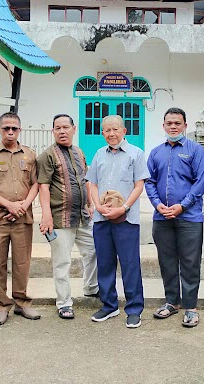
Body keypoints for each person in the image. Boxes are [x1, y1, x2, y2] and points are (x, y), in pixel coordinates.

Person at [0, 112, 41, 325]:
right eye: (6, 128)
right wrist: (9, 205)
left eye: (14, 128)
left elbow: (36, 184)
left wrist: (23, 206)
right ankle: (2, 306)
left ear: (20, 130)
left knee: (22, 263)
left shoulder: (29, 154)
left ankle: (22, 303)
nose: (10, 132)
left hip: (22, 219)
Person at [145, 107, 204, 328]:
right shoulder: (155, 153)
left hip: (189, 218)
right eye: (169, 123)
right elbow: (150, 182)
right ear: (163, 126)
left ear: (185, 126)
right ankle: (172, 302)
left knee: (190, 263)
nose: (173, 127)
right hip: (162, 217)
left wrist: (182, 206)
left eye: (177, 123)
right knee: (167, 262)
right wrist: (157, 204)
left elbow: (201, 182)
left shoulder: (195, 150)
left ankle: (191, 307)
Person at [86, 115, 150, 328]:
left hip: (126, 219)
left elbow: (139, 185)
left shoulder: (136, 154)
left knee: (130, 264)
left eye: (115, 129)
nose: (111, 134)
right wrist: (98, 205)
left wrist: (123, 208)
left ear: (124, 131)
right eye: (107, 130)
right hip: (101, 218)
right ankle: (109, 305)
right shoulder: (98, 154)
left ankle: (134, 308)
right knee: (104, 262)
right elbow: (92, 184)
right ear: (102, 132)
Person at [37, 114, 99, 319]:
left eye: (65, 127)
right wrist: (46, 216)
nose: (62, 131)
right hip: (60, 218)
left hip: (82, 216)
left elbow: (86, 180)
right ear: (53, 131)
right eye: (57, 128)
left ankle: (91, 287)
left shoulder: (79, 152)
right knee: (62, 262)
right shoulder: (47, 156)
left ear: (74, 129)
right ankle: (64, 303)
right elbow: (43, 186)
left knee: (93, 251)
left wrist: (90, 204)